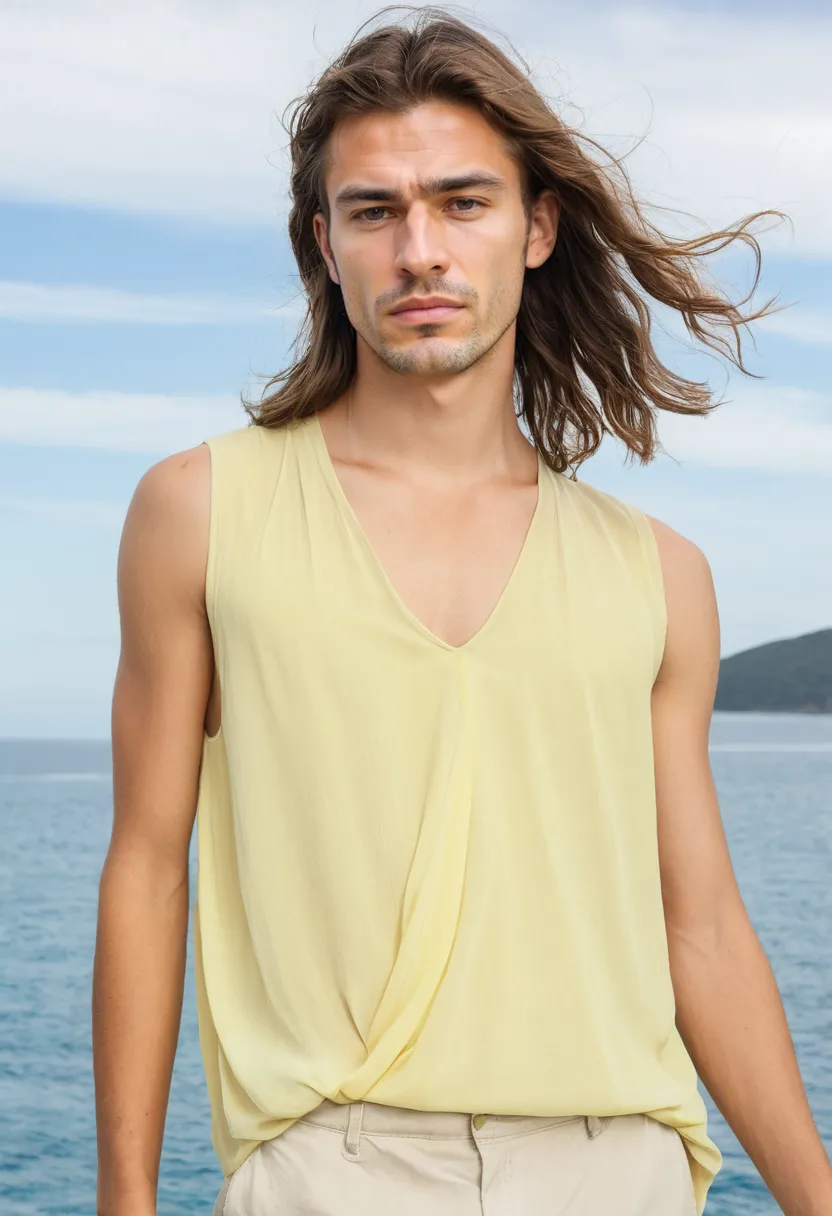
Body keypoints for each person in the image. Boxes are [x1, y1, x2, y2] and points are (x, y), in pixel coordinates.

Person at [92, 9, 832, 1216]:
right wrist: (127, 1199)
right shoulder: (199, 511)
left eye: (462, 202)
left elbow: (700, 933)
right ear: (323, 245)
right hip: (329, 1171)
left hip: (620, 1169)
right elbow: (145, 868)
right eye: (374, 211)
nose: (419, 251)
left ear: (536, 227)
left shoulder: (659, 574)